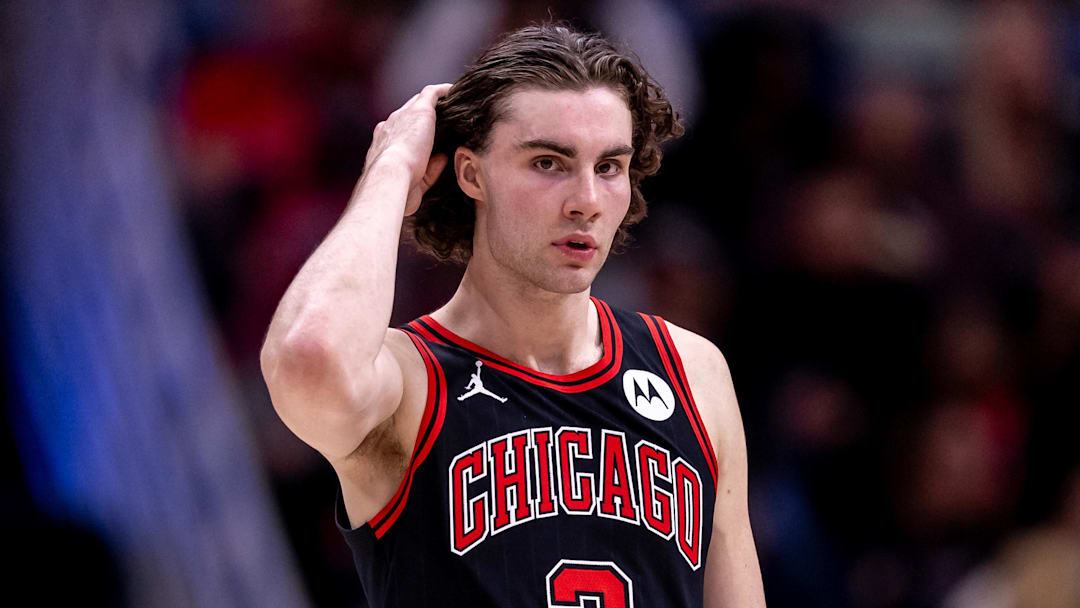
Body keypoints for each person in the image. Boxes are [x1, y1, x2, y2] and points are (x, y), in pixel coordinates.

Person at [261, 23, 766, 607]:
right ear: (472, 174)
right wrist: (392, 167)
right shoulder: (409, 384)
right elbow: (308, 358)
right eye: (549, 163)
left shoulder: (694, 371)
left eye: (609, 167)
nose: (586, 200)